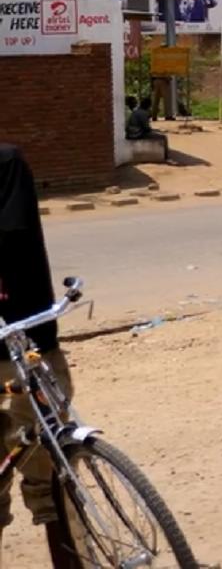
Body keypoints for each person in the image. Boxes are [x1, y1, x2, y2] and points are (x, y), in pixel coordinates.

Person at [0, 146, 72, 548]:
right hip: (27, 337)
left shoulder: (6, 162)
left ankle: (46, 501)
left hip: (25, 336)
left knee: (54, 452)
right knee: (53, 458)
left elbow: (15, 236)